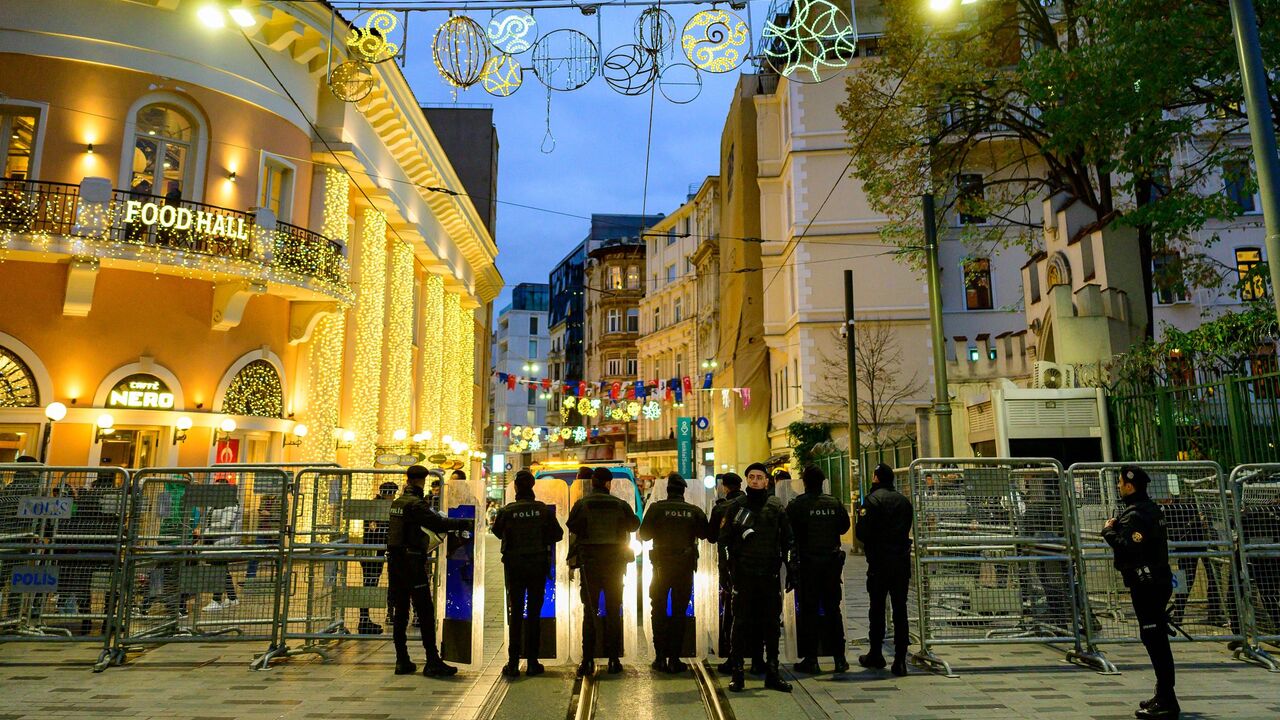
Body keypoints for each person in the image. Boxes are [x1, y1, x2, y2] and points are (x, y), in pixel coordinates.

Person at [1102, 466, 1179, 719]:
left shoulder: (1135, 515)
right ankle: (1164, 694)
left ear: (1129, 486)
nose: (1118, 486)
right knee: (1155, 638)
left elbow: (1128, 547)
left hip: (1147, 584)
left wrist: (1108, 531)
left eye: (1120, 483)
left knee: (1155, 640)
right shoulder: (1151, 509)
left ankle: (1167, 700)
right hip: (1157, 581)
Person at [387, 465, 473, 676]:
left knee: (401, 611)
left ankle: (402, 660)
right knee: (425, 610)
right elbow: (438, 523)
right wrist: (465, 522)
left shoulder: (397, 503)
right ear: (422, 481)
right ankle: (432, 660)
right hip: (412, 562)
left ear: (408, 479)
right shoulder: (416, 504)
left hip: (396, 562)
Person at [721, 462, 793, 693]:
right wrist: (725, 571)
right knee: (740, 623)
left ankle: (772, 672)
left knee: (771, 625)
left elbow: (788, 540)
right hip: (744, 575)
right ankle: (738, 673)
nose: (754, 480)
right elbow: (724, 540)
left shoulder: (776, 506)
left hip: (769, 575)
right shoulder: (737, 506)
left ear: (766, 481)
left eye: (759, 477)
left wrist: (791, 568)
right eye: (751, 477)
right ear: (747, 480)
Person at [566, 466, 639, 678]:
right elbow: (634, 525)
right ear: (608, 484)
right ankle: (614, 660)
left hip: (590, 566)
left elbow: (572, 526)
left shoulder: (582, 504)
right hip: (615, 566)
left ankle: (587, 660)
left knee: (590, 613)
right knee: (613, 611)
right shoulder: (620, 504)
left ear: (593, 483)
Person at [491, 469, 563, 677]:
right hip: (537, 566)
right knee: (534, 613)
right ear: (532, 486)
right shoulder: (542, 510)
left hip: (514, 567)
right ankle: (532, 661)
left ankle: (513, 663)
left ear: (515, 487)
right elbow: (557, 534)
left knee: (515, 613)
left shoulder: (507, 511)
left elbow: (497, 532)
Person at [639, 472, 709, 673]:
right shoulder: (693, 511)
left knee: (658, 610)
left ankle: (660, 657)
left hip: (660, 568)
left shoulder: (656, 509)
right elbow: (705, 534)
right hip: (684, 568)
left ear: (667, 490)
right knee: (679, 612)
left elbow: (644, 535)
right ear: (683, 491)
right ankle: (675, 659)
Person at [787, 465, 851, 674]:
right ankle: (839, 659)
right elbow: (844, 527)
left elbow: (789, 532)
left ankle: (811, 659)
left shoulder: (797, 505)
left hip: (808, 565)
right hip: (831, 565)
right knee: (833, 610)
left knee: (809, 612)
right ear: (823, 482)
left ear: (804, 482)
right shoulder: (834, 503)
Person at [855, 463, 913, 677]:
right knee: (900, 609)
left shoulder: (872, 501)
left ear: (876, 478)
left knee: (877, 608)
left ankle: (876, 653)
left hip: (879, 562)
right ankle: (900, 659)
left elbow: (862, 532)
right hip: (901, 562)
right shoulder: (904, 501)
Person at [707, 471, 744, 672]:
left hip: (729, 567)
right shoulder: (751, 504)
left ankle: (732, 655)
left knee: (730, 610)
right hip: (754, 564)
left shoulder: (721, 508)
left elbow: (711, 537)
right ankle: (757, 656)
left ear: (725, 487)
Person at [357, 481, 400, 635]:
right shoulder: (378, 507)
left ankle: (365, 619)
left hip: (374, 550)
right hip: (375, 550)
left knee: (370, 583)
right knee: (371, 583)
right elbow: (375, 529)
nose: (392, 497)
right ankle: (364, 620)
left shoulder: (376, 505)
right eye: (392, 494)